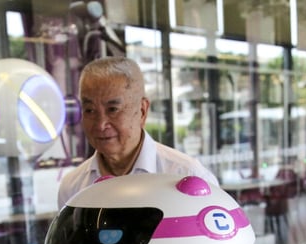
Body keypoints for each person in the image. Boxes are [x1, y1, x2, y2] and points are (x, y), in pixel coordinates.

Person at [57, 56, 218, 208]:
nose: (101, 124)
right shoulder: (72, 188)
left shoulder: (187, 176)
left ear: (142, 110)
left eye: (113, 109)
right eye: (90, 110)